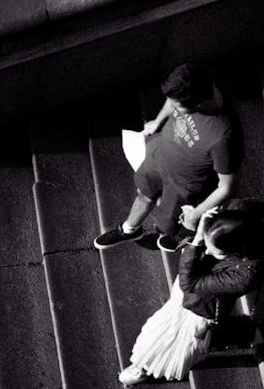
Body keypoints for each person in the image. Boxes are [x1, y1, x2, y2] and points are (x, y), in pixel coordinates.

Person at [94, 62, 242, 253]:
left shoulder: (224, 135)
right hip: (159, 156)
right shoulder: (193, 83)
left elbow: (227, 187)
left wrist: (195, 214)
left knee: (168, 224)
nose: (174, 107)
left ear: (198, 104)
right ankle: (129, 230)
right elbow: (173, 99)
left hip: (183, 186)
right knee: (143, 194)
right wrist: (158, 121)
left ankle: (182, 236)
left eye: (179, 106)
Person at [118, 206, 264, 385]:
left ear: (236, 249)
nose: (209, 252)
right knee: (164, 328)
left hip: (200, 306)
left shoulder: (246, 275)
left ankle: (149, 366)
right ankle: (146, 363)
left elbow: (190, 284)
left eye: (216, 252)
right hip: (192, 294)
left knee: (180, 341)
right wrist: (198, 223)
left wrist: (197, 240)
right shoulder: (226, 230)